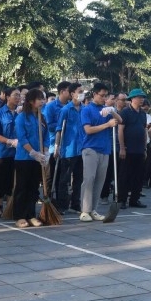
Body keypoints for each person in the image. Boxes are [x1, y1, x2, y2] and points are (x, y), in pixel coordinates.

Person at [79, 83, 122, 223]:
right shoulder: (86, 110)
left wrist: (112, 110)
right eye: (101, 95)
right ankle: (85, 210)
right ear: (94, 94)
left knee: (100, 180)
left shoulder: (106, 109)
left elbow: (120, 120)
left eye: (106, 96)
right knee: (89, 179)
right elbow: (88, 130)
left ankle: (93, 209)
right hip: (90, 148)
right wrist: (107, 125)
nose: (104, 98)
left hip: (105, 149)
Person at [12, 89, 48, 228]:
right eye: (39, 99)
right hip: (24, 158)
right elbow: (22, 137)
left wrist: (45, 151)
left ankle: (31, 214)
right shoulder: (22, 117)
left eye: (43, 99)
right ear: (32, 101)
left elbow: (45, 137)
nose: (42, 102)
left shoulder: (42, 117)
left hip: (37, 159)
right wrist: (33, 152)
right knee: (22, 187)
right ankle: (20, 216)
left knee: (33, 188)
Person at [0, 88, 20, 219]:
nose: (18, 98)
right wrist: (9, 141)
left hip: (18, 153)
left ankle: (10, 207)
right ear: (7, 97)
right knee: (0, 180)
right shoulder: (0, 113)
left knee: (13, 181)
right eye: (15, 95)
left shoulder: (21, 113)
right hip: (2, 152)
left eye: (19, 95)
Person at [56, 83, 85, 214]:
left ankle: (75, 203)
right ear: (72, 93)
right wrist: (57, 146)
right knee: (65, 179)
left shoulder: (85, 109)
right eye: (80, 91)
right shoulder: (66, 110)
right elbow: (59, 130)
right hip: (68, 149)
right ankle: (62, 204)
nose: (82, 94)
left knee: (79, 178)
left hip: (82, 148)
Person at [117, 88, 149, 209]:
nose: (141, 99)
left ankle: (135, 199)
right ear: (132, 99)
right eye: (139, 97)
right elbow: (120, 130)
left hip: (140, 149)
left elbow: (144, 130)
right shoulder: (125, 112)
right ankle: (122, 199)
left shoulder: (143, 113)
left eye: (142, 97)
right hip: (128, 148)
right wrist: (122, 147)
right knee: (125, 175)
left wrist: (145, 148)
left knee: (138, 176)